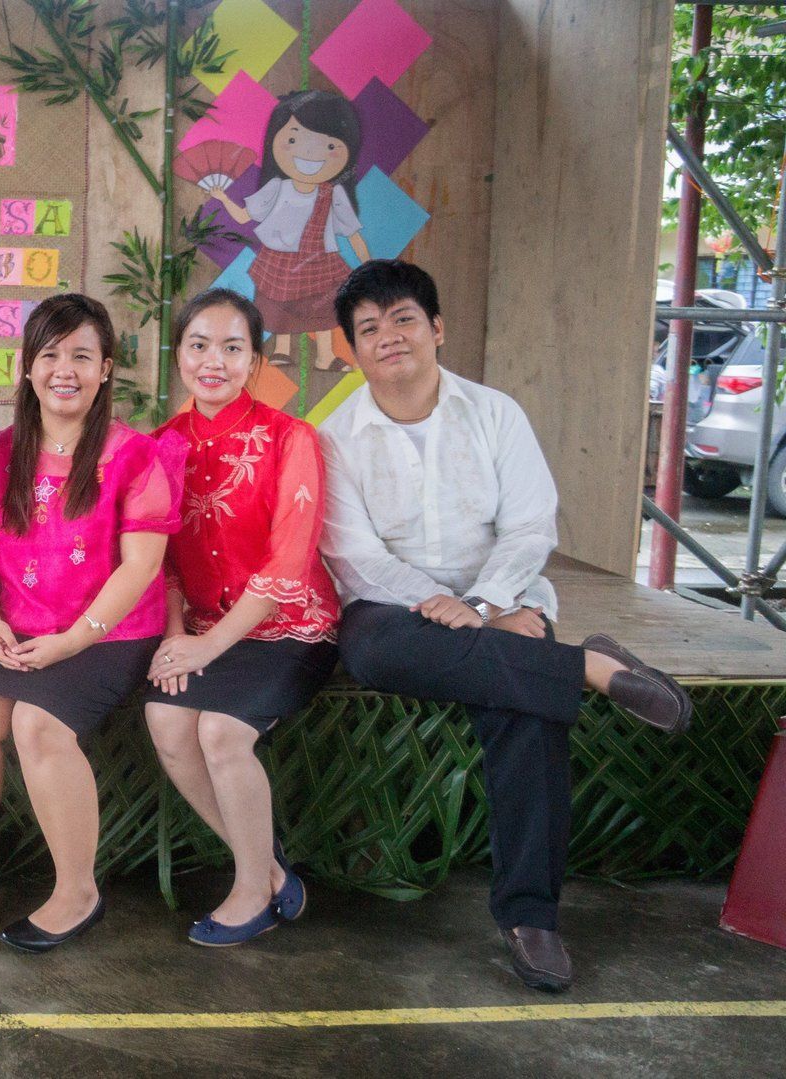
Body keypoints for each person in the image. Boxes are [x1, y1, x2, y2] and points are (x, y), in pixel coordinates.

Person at [320, 259, 692, 992]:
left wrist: (486, 604)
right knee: (377, 654)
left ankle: (531, 916)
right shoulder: (334, 438)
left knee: (524, 705)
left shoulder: (495, 414)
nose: (389, 337)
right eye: (369, 328)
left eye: (403, 319)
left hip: (503, 597)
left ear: (437, 328)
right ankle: (589, 666)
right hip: (392, 612)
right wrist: (445, 604)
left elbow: (529, 526)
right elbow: (355, 557)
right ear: (354, 349)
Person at [0, 293, 183, 953]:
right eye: (49, 354)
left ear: (106, 369)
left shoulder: (136, 455)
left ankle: (76, 891)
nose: (64, 369)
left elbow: (142, 566)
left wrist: (72, 640)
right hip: (13, 624)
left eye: (81, 355)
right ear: (27, 367)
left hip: (106, 632)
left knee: (36, 723)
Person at [141, 288, 341, 947]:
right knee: (166, 717)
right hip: (201, 629)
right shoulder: (160, 447)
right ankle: (272, 869)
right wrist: (177, 638)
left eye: (232, 348)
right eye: (199, 345)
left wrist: (206, 649)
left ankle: (252, 888)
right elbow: (164, 561)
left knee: (221, 731)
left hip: (290, 629)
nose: (213, 362)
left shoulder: (292, 438)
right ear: (178, 354)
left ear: (255, 362)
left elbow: (288, 565)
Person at [202, 89, 369, 371]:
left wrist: (371, 268)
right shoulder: (277, 188)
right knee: (280, 307)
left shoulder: (334, 194)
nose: (309, 153)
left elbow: (353, 233)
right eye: (293, 140)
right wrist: (222, 198)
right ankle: (281, 351)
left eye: (329, 145)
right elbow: (243, 216)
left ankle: (326, 356)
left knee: (325, 309)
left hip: (321, 261)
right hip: (279, 260)